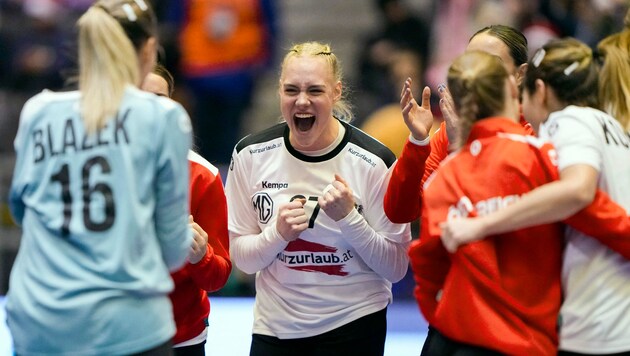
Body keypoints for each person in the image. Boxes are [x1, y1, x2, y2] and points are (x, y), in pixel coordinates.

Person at [410, 49, 630, 355]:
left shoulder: (443, 177)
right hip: (531, 341)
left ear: (455, 105)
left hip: (460, 339)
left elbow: (426, 266)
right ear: (514, 91)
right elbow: (595, 212)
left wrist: (446, 319)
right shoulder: (542, 157)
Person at [6, 1, 193, 355]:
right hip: (127, 325)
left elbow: (20, 211)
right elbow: (172, 251)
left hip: (39, 322)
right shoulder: (162, 117)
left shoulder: (38, 112)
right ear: (150, 49)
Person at [224, 41, 411, 356]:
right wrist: (277, 235)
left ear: (336, 92)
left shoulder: (373, 161)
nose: (301, 102)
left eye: (315, 91)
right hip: (276, 330)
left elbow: (396, 267)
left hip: (354, 325)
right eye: (291, 90)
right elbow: (241, 259)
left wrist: (350, 218)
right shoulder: (250, 154)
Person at [384, 24, 532, 224]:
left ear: (520, 74)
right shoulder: (449, 130)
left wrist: (460, 147)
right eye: (469, 62)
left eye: (491, 63)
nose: (476, 73)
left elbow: (497, 208)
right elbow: (400, 212)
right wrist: (418, 142)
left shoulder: (535, 131)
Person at [142, 65, 232, 355]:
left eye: (158, 98)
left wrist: (200, 256)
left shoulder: (202, 176)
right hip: (113, 333)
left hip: (181, 337)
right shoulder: (99, 167)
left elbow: (218, 277)